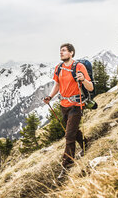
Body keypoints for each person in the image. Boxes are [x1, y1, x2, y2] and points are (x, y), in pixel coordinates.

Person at [43, 43, 93, 179]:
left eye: (64, 51)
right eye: (60, 51)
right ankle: (86, 144)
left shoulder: (79, 67)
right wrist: (50, 97)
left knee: (69, 136)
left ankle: (67, 165)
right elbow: (57, 85)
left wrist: (83, 79)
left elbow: (90, 88)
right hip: (63, 105)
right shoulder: (58, 68)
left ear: (71, 53)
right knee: (73, 130)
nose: (61, 53)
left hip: (77, 104)